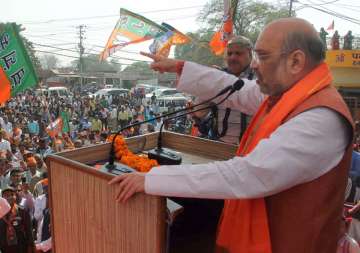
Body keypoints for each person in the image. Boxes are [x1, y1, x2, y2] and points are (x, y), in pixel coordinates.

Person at [110, 18, 354, 253]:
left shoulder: (321, 117)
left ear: (296, 61)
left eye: (263, 56)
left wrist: (152, 179)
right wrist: (179, 68)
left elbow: (249, 175)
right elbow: (237, 89)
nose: (255, 65)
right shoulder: (292, 96)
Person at [0, 187, 34, 253]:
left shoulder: (22, 211)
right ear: (2, 198)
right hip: (5, 249)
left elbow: (29, 231)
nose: (9, 197)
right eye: (6, 195)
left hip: (21, 248)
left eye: (12, 195)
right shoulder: (0, 214)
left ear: (16, 196)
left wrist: (31, 246)